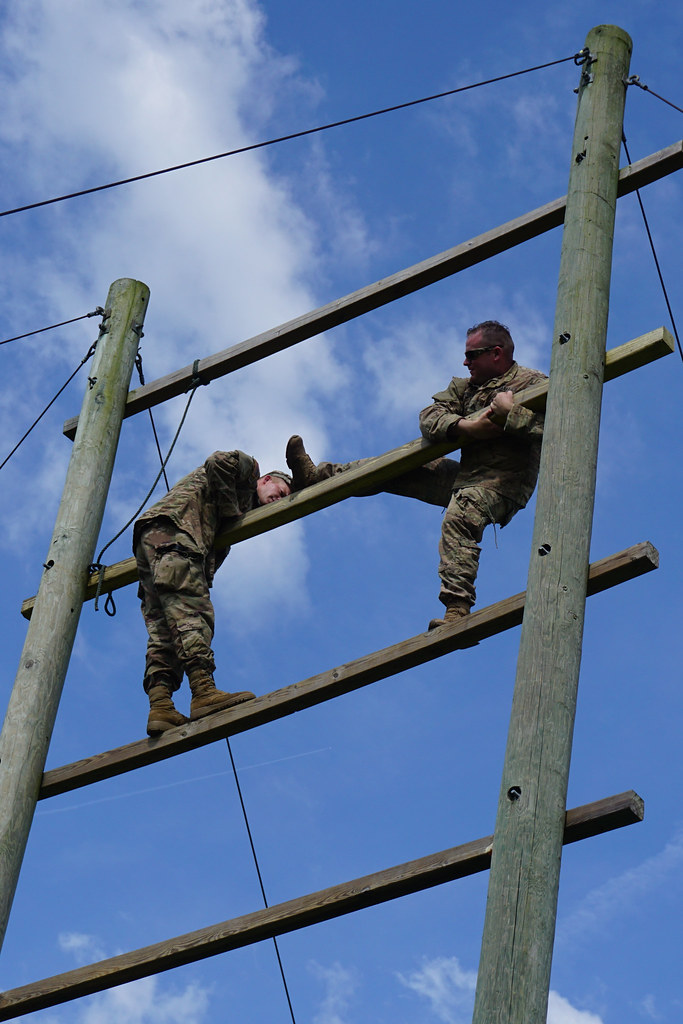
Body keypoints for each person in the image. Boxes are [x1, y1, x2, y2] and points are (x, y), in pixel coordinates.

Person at [286, 320, 546, 630]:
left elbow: (558, 427)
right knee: (393, 466)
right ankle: (317, 478)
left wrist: (511, 415)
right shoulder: (465, 388)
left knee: (461, 513)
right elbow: (430, 417)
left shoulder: (533, 383)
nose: (465, 362)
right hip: (467, 475)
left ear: (497, 354)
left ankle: (456, 609)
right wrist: (467, 427)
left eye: (472, 355)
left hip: (504, 483)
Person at [133, 450, 292, 736]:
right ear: (266, 479)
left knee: (164, 630)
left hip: (151, 539)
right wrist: (233, 510)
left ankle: (161, 707)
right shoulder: (248, 473)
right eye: (280, 491)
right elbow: (218, 461)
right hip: (175, 533)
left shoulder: (228, 516)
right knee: (192, 613)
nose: (280, 498)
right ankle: (203, 692)